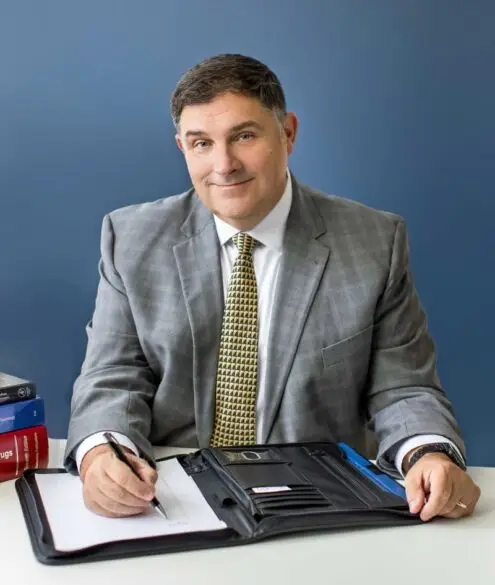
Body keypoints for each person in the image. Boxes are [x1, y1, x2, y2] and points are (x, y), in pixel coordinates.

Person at [63, 53, 480, 521]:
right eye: (202, 143)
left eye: (244, 136)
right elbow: (112, 375)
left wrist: (427, 454)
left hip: (319, 505)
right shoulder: (131, 237)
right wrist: (103, 454)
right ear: (182, 147)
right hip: (171, 500)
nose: (224, 164)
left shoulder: (374, 242)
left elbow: (403, 387)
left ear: (288, 133)